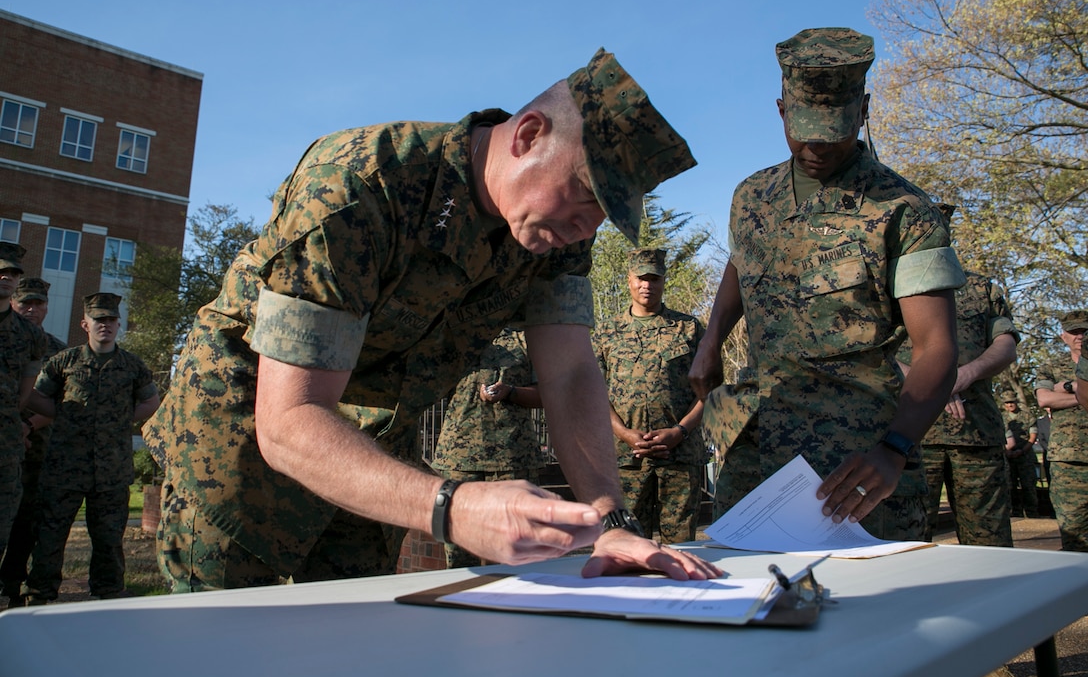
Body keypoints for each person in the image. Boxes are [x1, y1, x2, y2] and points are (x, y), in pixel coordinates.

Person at [142, 48, 720, 592]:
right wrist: (453, 506)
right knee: (227, 645)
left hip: (370, 448)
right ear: (527, 135)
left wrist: (609, 519)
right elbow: (288, 419)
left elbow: (568, 372)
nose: (586, 229)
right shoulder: (357, 187)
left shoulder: (553, 235)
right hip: (240, 443)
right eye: (584, 195)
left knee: (351, 644)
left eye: (603, 216)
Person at [689, 27, 965, 541]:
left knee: (871, 612)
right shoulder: (751, 196)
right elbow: (740, 261)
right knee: (747, 600)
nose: (816, 144)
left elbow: (937, 348)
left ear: (862, 111)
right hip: (753, 443)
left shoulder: (906, 212)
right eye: (803, 127)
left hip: (855, 464)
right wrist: (712, 338)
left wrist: (894, 450)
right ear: (780, 110)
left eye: (833, 128)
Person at [21, 293, 160, 604]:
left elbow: (152, 401)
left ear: (118, 324)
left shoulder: (132, 366)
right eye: (99, 320)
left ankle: (108, 591)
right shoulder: (64, 362)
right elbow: (34, 396)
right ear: (86, 324)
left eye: (111, 320)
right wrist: (67, 413)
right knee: (51, 535)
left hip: (111, 469)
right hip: (64, 468)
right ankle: (39, 592)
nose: (105, 326)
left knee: (109, 538)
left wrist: (121, 420)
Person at [897, 257, 1019, 545]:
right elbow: (872, 347)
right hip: (911, 435)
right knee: (907, 544)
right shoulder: (892, 285)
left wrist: (966, 373)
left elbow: (1006, 343)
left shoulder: (981, 288)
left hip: (976, 432)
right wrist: (932, 380)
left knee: (990, 544)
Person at [594, 248, 706, 543]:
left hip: (679, 457)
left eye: (654, 278)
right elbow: (593, 390)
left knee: (682, 549)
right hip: (626, 458)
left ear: (664, 281)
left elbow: (709, 391)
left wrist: (680, 431)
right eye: (641, 278)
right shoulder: (607, 331)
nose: (647, 285)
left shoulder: (689, 328)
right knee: (627, 545)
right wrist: (623, 433)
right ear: (629, 280)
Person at [430, 327, 546, 568]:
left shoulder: (526, 338)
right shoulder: (455, 335)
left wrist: (511, 392)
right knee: (459, 549)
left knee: (514, 547)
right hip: (459, 459)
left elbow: (546, 394)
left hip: (512, 457)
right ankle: (461, 601)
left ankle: (512, 604)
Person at [0, 278, 67, 607]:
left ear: (46, 307)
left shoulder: (58, 352)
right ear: (13, 303)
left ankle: (12, 585)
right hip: (4, 446)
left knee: (27, 523)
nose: (31, 309)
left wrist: (26, 427)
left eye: (38, 304)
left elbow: (63, 404)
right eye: (25, 302)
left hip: (37, 452)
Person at [0, 243, 47, 601]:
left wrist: (19, 423)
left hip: (14, 446)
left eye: (12, 274)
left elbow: (27, 391)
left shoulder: (35, 339)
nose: (6, 279)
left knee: (12, 523)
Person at [1035, 310, 1088, 551]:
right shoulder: (1051, 367)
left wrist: (1066, 390)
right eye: (1074, 331)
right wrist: (1080, 391)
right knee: (1074, 532)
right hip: (1068, 460)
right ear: (1063, 336)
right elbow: (1044, 399)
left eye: (1084, 331)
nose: (1080, 336)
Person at [1002, 393, 1040, 519]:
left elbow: (1032, 436)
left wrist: (1022, 451)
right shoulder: (1001, 417)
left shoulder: (1027, 416)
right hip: (1008, 456)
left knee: (1028, 486)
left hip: (1025, 455)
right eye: (1007, 402)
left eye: (1012, 402)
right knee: (1010, 486)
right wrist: (1008, 452)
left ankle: (1032, 512)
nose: (1010, 405)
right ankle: (1015, 513)